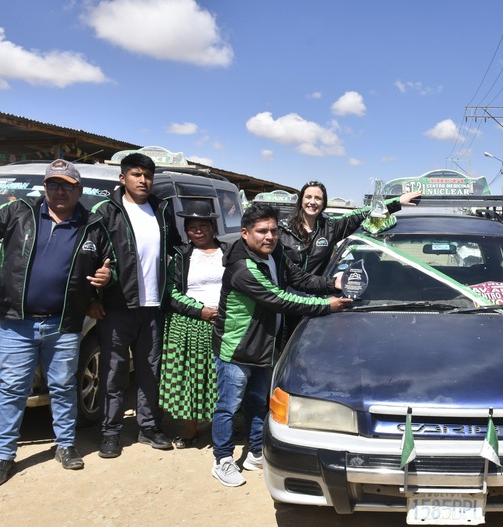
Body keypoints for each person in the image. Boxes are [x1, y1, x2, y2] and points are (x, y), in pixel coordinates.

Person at [0, 160, 113, 489]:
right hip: (17, 322)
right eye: (54, 184)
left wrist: (104, 279)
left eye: (67, 185)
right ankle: (3, 456)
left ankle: (66, 445)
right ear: (45, 188)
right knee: (12, 389)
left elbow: (107, 266)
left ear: (78, 190)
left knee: (63, 387)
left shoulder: (92, 225)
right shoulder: (19, 213)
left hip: (64, 324)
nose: (60, 190)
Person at [211, 203, 353, 487]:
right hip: (237, 350)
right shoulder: (242, 269)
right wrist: (326, 305)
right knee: (228, 406)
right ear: (244, 233)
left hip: (263, 346)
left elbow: (297, 278)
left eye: (274, 230)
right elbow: (281, 299)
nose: (269, 236)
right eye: (262, 231)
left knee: (257, 402)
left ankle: (254, 453)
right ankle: (222, 459)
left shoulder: (273, 252)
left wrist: (331, 283)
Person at [90, 153, 183, 459]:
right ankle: (111, 431)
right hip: (118, 306)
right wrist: (93, 298)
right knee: (114, 372)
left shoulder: (160, 209)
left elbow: (175, 251)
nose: (143, 181)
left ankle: (149, 427)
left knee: (150, 372)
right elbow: (89, 259)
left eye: (147, 176)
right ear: (122, 178)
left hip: (153, 307)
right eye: (136, 175)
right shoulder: (106, 212)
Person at [158, 204, 228, 448]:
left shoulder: (228, 253)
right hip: (190, 324)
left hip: (225, 323)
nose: (198, 231)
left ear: (213, 228)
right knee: (192, 377)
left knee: (224, 377)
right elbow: (172, 292)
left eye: (203, 226)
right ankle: (190, 430)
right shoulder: (181, 256)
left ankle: (227, 426)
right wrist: (200, 311)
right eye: (192, 228)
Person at [280, 180, 419, 276]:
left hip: (316, 298)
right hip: (285, 299)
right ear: (301, 201)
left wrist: (397, 202)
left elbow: (362, 213)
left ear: (324, 203)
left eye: (318, 198)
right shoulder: (282, 229)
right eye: (308, 197)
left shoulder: (330, 227)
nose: (312, 202)